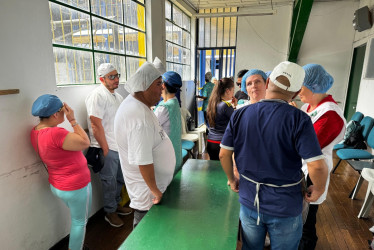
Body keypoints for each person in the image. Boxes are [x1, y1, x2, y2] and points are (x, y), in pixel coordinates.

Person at [219, 61, 328, 250]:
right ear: (295, 93)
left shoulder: (240, 115)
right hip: (285, 206)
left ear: (268, 82)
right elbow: (317, 166)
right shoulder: (299, 119)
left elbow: (223, 154)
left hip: (249, 202)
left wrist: (232, 179)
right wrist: (318, 189)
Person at [114, 62, 175, 228]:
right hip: (148, 196)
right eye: (157, 84)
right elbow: (143, 160)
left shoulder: (140, 105)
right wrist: (155, 190)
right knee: (146, 236)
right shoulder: (138, 117)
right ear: (143, 86)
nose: (162, 88)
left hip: (154, 189)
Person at [294, 64, 346, 250]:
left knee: (307, 222)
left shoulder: (330, 114)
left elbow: (306, 146)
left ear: (314, 87)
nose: (298, 90)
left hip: (314, 173)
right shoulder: (310, 105)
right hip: (303, 167)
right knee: (299, 217)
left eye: (301, 86)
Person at [30, 95, 91, 250]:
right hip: (74, 186)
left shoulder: (35, 131)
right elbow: (85, 142)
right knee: (79, 222)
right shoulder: (56, 133)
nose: (66, 113)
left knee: (78, 218)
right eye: (63, 111)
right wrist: (73, 120)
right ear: (55, 115)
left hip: (58, 185)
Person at [85, 63, 132, 228]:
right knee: (109, 181)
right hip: (107, 147)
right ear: (101, 79)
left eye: (117, 75)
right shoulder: (97, 96)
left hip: (119, 146)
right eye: (111, 77)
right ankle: (110, 212)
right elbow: (95, 124)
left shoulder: (118, 96)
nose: (116, 79)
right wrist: (105, 148)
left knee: (120, 178)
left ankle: (117, 204)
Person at [154, 71, 183, 173]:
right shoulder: (174, 102)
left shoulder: (163, 108)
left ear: (163, 85)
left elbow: (151, 126)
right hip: (176, 154)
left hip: (166, 157)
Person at [206, 78, 237, 160]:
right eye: (233, 91)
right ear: (227, 91)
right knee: (224, 170)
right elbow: (236, 122)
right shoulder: (226, 106)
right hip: (222, 144)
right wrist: (235, 106)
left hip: (210, 142)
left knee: (214, 169)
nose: (233, 93)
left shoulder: (212, 103)